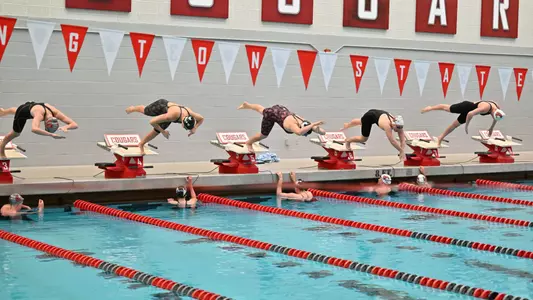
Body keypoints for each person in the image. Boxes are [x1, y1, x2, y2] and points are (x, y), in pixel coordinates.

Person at [237, 102, 326, 152]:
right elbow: (299, 132)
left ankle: (247, 105)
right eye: (305, 134)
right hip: (272, 114)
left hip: (280, 108)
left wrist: (318, 128)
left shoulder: (302, 121)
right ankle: (249, 143)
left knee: (262, 109)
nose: (304, 135)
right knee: (263, 135)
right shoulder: (293, 125)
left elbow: (322, 132)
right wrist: (313, 124)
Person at [126, 99, 204, 155]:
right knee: (146, 111)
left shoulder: (190, 113)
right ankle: (134, 108)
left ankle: (141, 144)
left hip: (171, 113)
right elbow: (152, 122)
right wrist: (163, 132)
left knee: (156, 132)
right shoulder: (170, 116)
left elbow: (201, 118)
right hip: (162, 106)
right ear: (183, 123)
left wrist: (195, 128)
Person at [0, 102, 78, 158]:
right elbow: (34, 129)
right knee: (15, 134)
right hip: (23, 112)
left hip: (31, 106)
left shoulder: (55, 113)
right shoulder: (39, 115)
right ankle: (1, 148)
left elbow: (75, 125)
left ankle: (4, 112)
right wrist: (51, 135)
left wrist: (66, 127)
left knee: (21, 110)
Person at [421, 100, 505, 146]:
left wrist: (491, 128)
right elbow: (470, 114)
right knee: (447, 108)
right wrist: (466, 126)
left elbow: (495, 118)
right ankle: (430, 108)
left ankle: (440, 137)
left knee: (454, 125)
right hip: (466, 107)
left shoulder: (497, 108)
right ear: (494, 111)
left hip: (470, 112)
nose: (493, 117)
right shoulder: (485, 108)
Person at [341, 109, 406, 160]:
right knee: (363, 139)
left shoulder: (399, 125)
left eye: (400, 128)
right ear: (393, 124)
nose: (398, 130)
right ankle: (348, 140)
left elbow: (402, 140)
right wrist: (401, 151)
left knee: (361, 121)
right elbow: (392, 141)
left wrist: (401, 151)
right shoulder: (387, 125)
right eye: (397, 128)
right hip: (369, 117)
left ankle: (348, 125)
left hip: (376, 114)